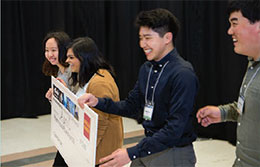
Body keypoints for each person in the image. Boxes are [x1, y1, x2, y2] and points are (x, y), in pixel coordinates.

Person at [78, 8, 199, 167]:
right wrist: (97, 102)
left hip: (173, 153)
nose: (142, 44)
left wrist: (131, 153)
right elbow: (130, 106)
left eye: (148, 38)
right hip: (149, 145)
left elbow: (174, 130)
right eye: (141, 38)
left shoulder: (183, 74)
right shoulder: (146, 69)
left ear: (167, 37)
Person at [196, 0, 260, 166]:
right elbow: (249, 109)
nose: (230, 31)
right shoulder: (252, 64)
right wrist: (221, 113)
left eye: (234, 23)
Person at [65, 37, 124, 166]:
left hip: (102, 149)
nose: (67, 61)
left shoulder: (100, 83)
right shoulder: (88, 76)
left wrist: (85, 150)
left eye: (71, 57)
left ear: (83, 58)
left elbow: (100, 123)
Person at [42, 31, 72, 167]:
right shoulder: (59, 71)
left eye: (54, 50)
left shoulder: (73, 71)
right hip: (67, 129)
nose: (49, 54)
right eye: (47, 50)